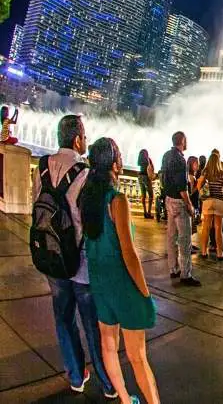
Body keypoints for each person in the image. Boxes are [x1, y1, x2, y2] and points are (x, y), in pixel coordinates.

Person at [33, 115, 116, 398]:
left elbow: (37, 207)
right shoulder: (84, 172)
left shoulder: (41, 167)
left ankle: (76, 375)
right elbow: (89, 219)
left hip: (51, 257)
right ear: (78, 139)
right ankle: (107, 382)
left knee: (63, 317)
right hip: (80, 262)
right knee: (91, 323)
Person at [80, 138, 160, 404]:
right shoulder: (117, 200)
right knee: (138, 356)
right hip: (123, 284)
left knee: (108, 345)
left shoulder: (87, 197)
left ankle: (126, 400)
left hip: (99, 282)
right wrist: (144, 292)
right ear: (114, 164)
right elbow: (129, 252)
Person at [161, 132, 200, 286]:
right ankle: (186, 274)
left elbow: (162, 176)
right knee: (185, 240)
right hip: (178, 201)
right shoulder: (180, 159)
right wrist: (189, 205)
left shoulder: (166, 155)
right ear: (182, 141)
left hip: (168, 199)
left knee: (171, 236)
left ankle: (173, 269)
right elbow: (182, 187)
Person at [197, 151, 223, 260]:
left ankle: (203, 252)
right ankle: (220, 253)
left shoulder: (205, 172)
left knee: (206, 228)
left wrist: (202, 193)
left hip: (207, 201)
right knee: (218, 228)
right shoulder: (222, 173)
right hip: (219, 201)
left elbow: (198, 184)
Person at [137, 150, 155, 219]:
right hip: (146, 177)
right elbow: (151, 169)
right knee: (151, 195)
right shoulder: (148, 159)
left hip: (140, 177)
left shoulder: (140, 161)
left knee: (143, 195)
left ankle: (144, 212)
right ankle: (149, 212)